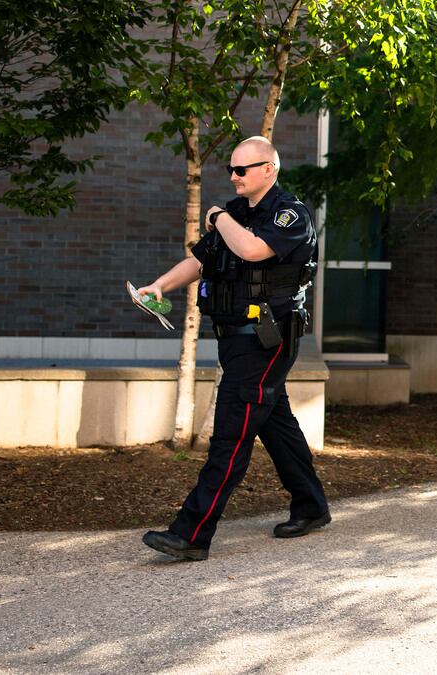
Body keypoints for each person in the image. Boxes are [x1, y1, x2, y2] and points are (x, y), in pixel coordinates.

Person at [137, 136, 330, 561]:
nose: (233, 176)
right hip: (236, 337)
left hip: (268, 338)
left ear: (269, 170)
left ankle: (192, 533)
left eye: (242, 169)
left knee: (231, 432)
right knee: (273, 423)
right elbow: (203, 260)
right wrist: (160, 285)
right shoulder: (236, 213)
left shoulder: (289, 214)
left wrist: (218, 216)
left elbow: (253, 249)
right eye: (230, 169)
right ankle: (311, 507)